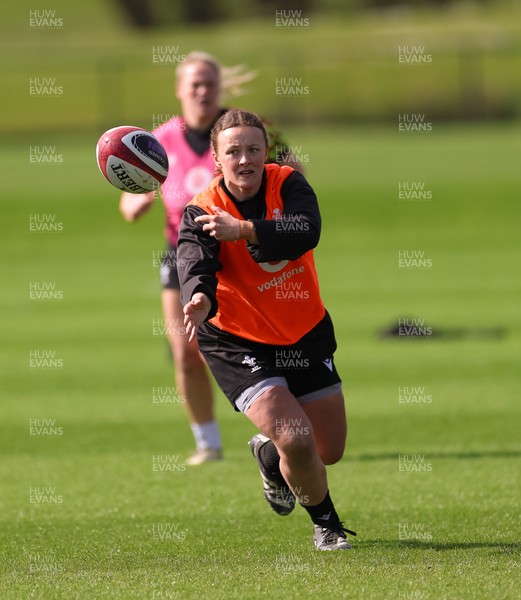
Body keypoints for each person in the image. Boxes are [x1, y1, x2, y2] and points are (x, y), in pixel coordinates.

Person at [177, 109, 356, 550]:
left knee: (328, 449)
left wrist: (243, 230)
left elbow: (306, 231)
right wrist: (198, 297)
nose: (245, 159)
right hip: (237, 338)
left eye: (253, 149)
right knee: (297, 438)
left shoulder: (288, 183)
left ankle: (268, 456)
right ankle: (327, 525)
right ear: (217, 159)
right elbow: (193, 261)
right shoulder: (202, 208)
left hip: (303, 329)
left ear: (265, 152)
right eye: (233, 151)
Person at [120, 52, 298, 465]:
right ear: (179, 90)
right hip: (183, 255)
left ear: (221, 87)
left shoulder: (248, 130)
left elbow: (294, 174)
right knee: (185, 349)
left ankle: (277, 431)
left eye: (209, 83)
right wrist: (137, 201)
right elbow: (130, 195)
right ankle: (208, 443)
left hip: (243, 250)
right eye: (194, 84)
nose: (202, 91)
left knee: (246, 346)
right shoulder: (158, 140)